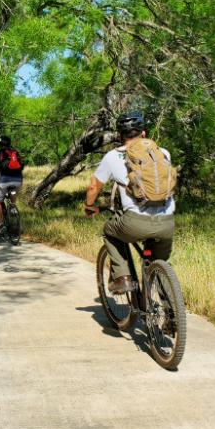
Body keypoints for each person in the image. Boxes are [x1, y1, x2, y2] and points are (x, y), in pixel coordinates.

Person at [83, 112, 175, 293]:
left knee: (109, 232)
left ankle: (123, 277)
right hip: (167, 223)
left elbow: (93, 187)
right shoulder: (163, 153)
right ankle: (171, 303)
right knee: (159, 262)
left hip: (134, 222)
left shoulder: (112, 157)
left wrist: (89, 206)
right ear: (144, 133)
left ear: (119, 137)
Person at [0, 135, 24, 238]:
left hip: (3, 181)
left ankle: (1, 225)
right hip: (18, 181)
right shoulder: (17, 154)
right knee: (13, 191)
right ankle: (13, 208)